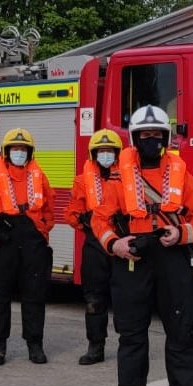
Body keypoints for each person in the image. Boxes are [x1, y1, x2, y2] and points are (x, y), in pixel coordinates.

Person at [92, 105, 193, 386]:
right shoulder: (119, 178)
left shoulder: (181, 175)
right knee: (131, 334)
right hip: (133, 257)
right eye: (145, 135)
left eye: (156, 135)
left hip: (171, 254)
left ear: (165, 138)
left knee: (182, 332)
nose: (151, 140)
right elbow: (99, 219)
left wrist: (183, 233)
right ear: (135, 139)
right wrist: (114, 244)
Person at [0, 128, 54, 365]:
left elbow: (49, 209)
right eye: (15, 148)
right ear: (6, 151)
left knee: (34, 293)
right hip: (4, 239)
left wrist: (41, 232)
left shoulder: (40, 177)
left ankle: (35, 345)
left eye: (23, 149)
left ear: (30, 152)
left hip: (33, 239)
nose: (19, 152)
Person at [66, 129, 123, 365]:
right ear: (93, 154)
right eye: (101, 151)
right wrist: (86, 220)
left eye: (110, 151)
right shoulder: (82, 180)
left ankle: (128, 345)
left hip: (121, 243)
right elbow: (71, 214)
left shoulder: (127, 178)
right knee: (93, 298)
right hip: (94, 244)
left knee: (124, 297)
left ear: (117, 154)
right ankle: (95, 346)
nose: (106, 155)